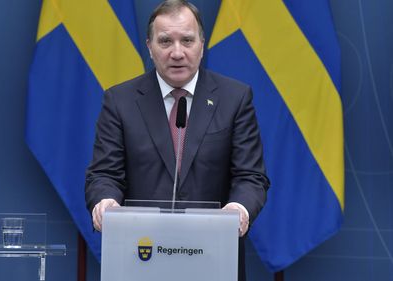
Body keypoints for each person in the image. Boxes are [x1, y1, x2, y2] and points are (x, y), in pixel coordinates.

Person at [85, 0, 269, 279]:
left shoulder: (235, 99)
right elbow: (103, 174)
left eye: (187, 40)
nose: (177, 52)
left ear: (202, 44)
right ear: (149, 47)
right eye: (165, 41)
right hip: (139, 257)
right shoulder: (120, 101)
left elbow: (250, 177)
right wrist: (105, 201)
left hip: (212, 258)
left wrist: (237, 210)